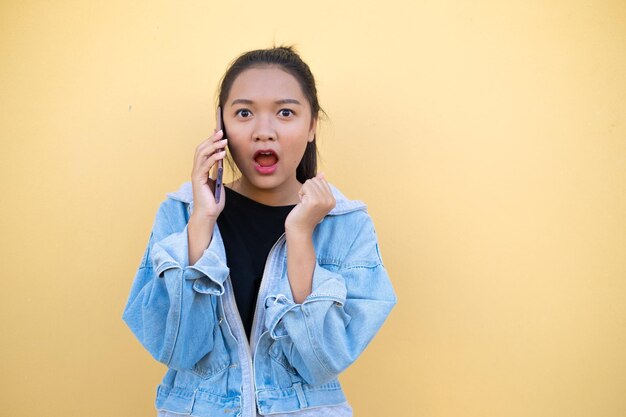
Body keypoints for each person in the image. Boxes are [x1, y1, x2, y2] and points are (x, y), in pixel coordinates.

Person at [122, 46, 397, 417]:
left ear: (312, 124)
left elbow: (322, 362)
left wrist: (300, 236)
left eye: (286, 113)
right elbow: (178, 348)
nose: (263, 131)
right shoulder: (181, 212)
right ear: (220, 125)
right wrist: (201, 222)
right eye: (244, 113)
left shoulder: (347, 224)